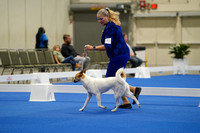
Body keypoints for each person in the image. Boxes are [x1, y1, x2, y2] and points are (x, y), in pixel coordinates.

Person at [84, 8, 141, 108]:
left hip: (119, 55)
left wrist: (92, 48)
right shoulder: (111, 25)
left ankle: (133, 89)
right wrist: (103, 35)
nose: (99, 21)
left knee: (110, 79)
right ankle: (126, 102)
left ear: (107, 16)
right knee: (116, 79)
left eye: (101, 19)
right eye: (98, 19)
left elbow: (107, 46)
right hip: (121, 54)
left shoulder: (110, 27)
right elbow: (106, 42)